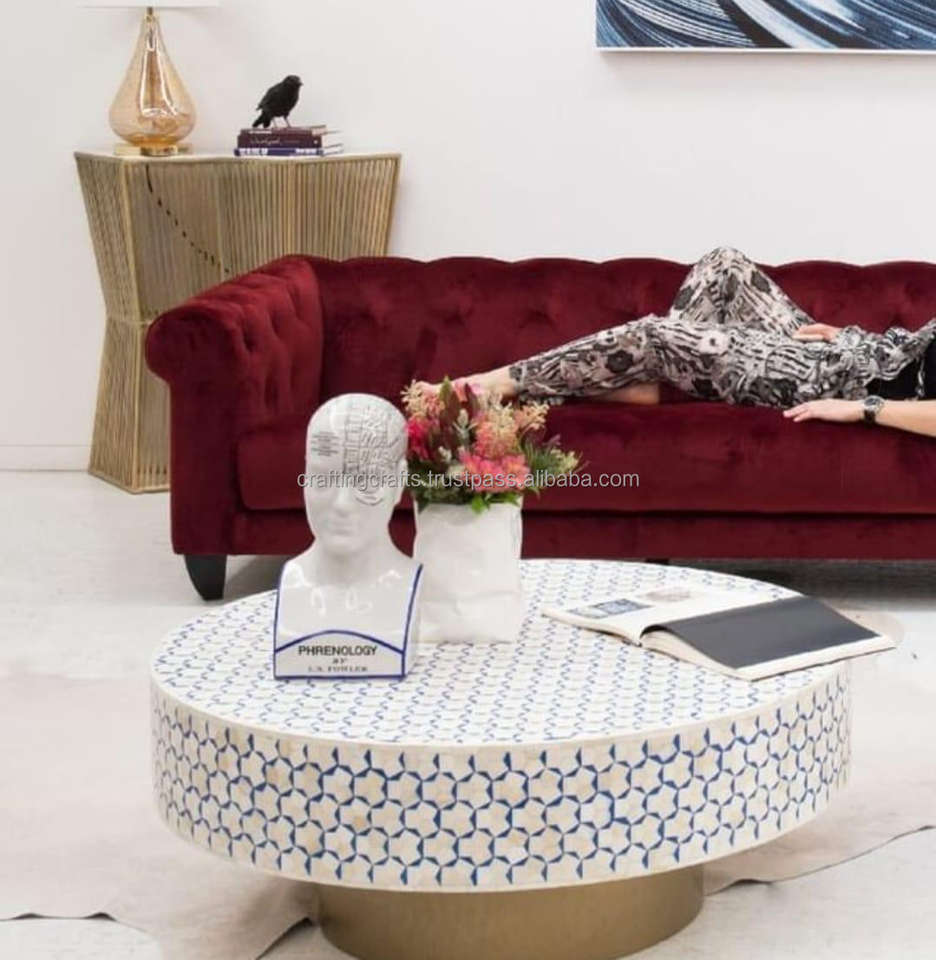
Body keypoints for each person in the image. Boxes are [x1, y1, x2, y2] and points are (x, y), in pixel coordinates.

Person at [421, 247, 936, 439]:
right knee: (724, 267)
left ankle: (490, 385)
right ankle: (657, 380)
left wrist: (863, 408)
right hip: (852, 356)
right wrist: (852, 337)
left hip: (832, 383)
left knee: (656, 334)